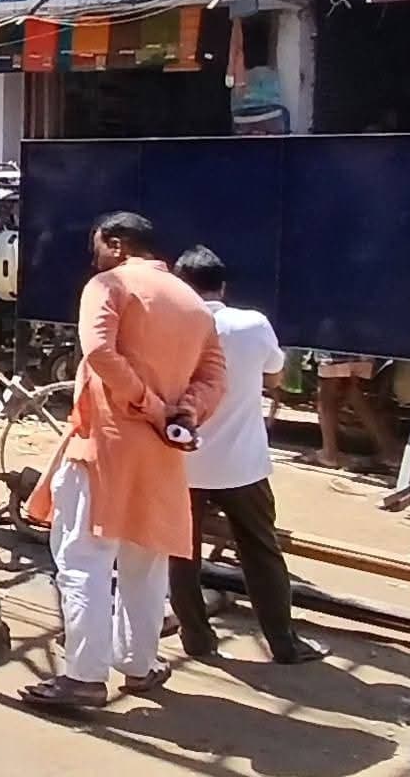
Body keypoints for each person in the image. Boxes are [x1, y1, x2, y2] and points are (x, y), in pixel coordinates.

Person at [19, 212, 226, 711]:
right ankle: (139, 663)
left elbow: (100, 354)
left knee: (82, 563)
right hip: (162, 455)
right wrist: (181, 412)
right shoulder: (192, 303)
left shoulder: (108, 284)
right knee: (144, 561)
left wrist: (149, 406)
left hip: (105, 447)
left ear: (115, 244)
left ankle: (85, 676)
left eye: (98, 247)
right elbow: (216, 378)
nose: (94, 257)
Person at [165, 246, 326, 665]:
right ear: (223, 285)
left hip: (182, 462)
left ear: (181, 284)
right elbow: (275, 374)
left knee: (182, 553)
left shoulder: (168, 328)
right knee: (261, 551)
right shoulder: (253, 324)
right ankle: (284, 643)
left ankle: (197, 641)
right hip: (243, 464)